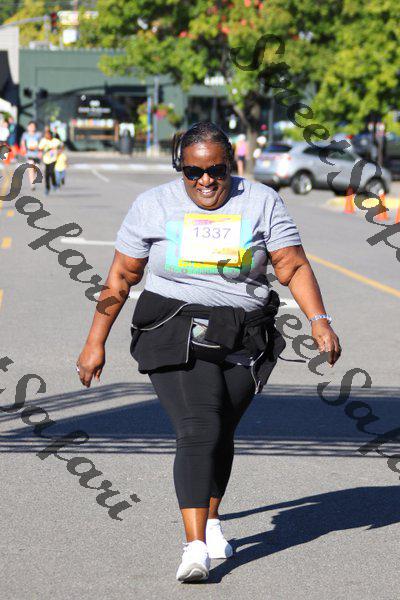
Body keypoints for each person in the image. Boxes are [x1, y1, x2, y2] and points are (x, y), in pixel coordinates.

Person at [76, 121, 341, 583]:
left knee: (221, 429)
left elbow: (292, 265)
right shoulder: (154, 205)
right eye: (192, 172)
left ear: (231, 165)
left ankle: (212, 521)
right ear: (180, 168)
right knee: (200, 426)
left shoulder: (260, 201)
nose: (205, 181)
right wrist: (94, 341)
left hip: (244, 334)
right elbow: (121, 276)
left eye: (216, 170)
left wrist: (319, 320)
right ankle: (194, 547)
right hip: (172, 327)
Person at [38, 126, 61, 195]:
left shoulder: (55, 141)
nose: (47, 136)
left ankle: (54, 184)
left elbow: (61, 145)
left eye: (48, 134)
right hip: (46, 159)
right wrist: (42, 150)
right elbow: (40, 148)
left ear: (51, 135)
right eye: (46, 134)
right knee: (47, 174)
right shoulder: (43, 141)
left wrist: (59, 151)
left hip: (53, 159)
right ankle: (47, 188)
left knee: (51, 172)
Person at [20, 121, 42, 190]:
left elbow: (41, 143)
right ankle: (32, 184)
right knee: (30, 168)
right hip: (29, 154)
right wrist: (23, 148)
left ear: (35, 127)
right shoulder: (25, 134)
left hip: (36, 154)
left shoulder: (38, 134)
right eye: (30, 126)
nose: (32, 128)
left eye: (33, 126)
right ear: (28, 127)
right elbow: (23, 142)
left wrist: (40, 151)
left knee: (35, 168)